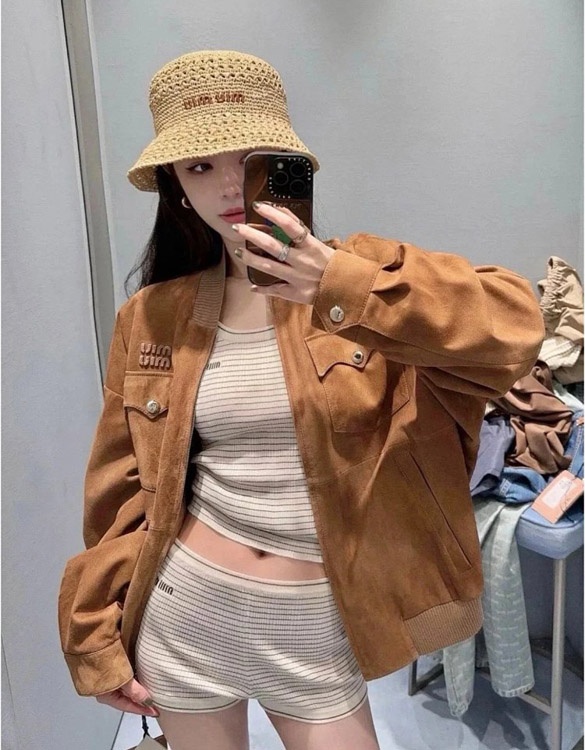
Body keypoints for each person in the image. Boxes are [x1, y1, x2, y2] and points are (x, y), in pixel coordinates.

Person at [58, 50, 544, 750]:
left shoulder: (364, 274)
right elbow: (120, 491)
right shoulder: (152, 316)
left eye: (250, 161)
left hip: (314, 626)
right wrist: (93, 631)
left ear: (289, 166)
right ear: (175, 188)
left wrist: (337, 286)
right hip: (184, 613)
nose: (229, 185)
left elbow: (514, 330)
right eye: (200, 167)